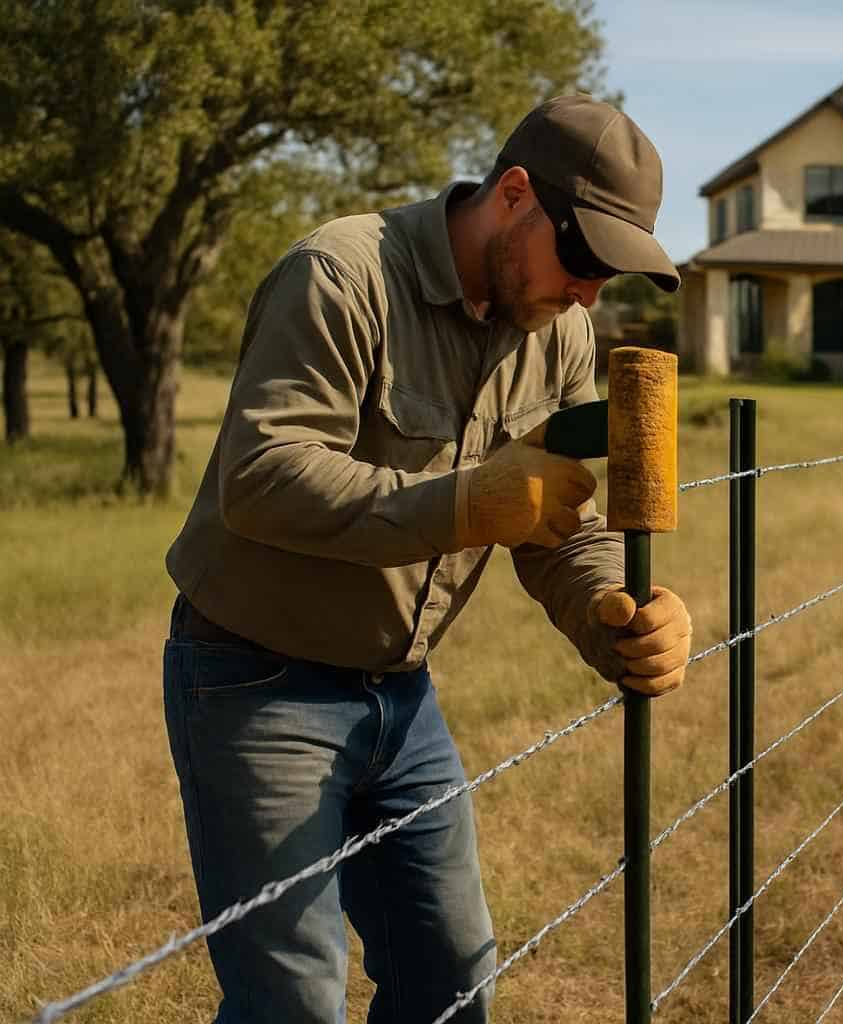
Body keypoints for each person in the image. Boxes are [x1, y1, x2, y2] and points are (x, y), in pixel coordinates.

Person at [161, 94, 692, 1023]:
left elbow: (557, 522)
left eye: (611, 276)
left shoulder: (557, 332)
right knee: (294, 1003)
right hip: (254, 682)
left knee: (451, 982)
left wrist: (619, 612)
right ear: (517, 194)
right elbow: (261, 474)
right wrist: (458, 505)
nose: (590, 295)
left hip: (403, 697)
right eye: (584, 259)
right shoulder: (341, 274)